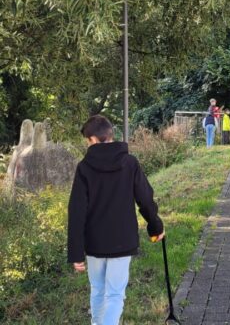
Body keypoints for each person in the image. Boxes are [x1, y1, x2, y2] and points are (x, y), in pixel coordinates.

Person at [67, 115, 164, 325]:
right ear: (111, 135)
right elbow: (145, 199)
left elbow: (76, 211)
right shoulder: (129, 162)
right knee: (114, 295)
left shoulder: (84, 167)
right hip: (123, 239)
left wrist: (76, 252)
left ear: (92, 139)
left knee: (98, 290)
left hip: (94, 242)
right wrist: (155, 226)